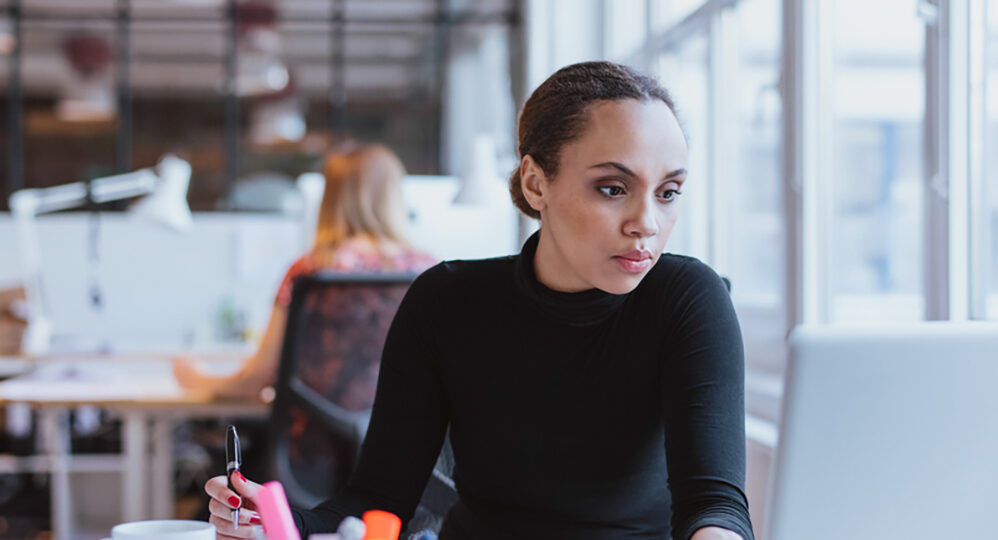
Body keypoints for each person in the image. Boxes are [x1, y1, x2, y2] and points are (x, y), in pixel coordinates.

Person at [203, 61, 754, 540]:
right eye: (613, 188)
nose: (647, 224)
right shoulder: (446, 302)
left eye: (669, 192)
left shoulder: (686, 300)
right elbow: (377, 503)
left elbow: (714, 506)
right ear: (536, 184)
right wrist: (276, 523)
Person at [172, 143, 436, 399]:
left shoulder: (310, 270)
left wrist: (193, 377)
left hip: (316, 440)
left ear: (330, 199)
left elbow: (256, 379)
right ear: (393, 196)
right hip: (405, 442)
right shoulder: (428, 273)